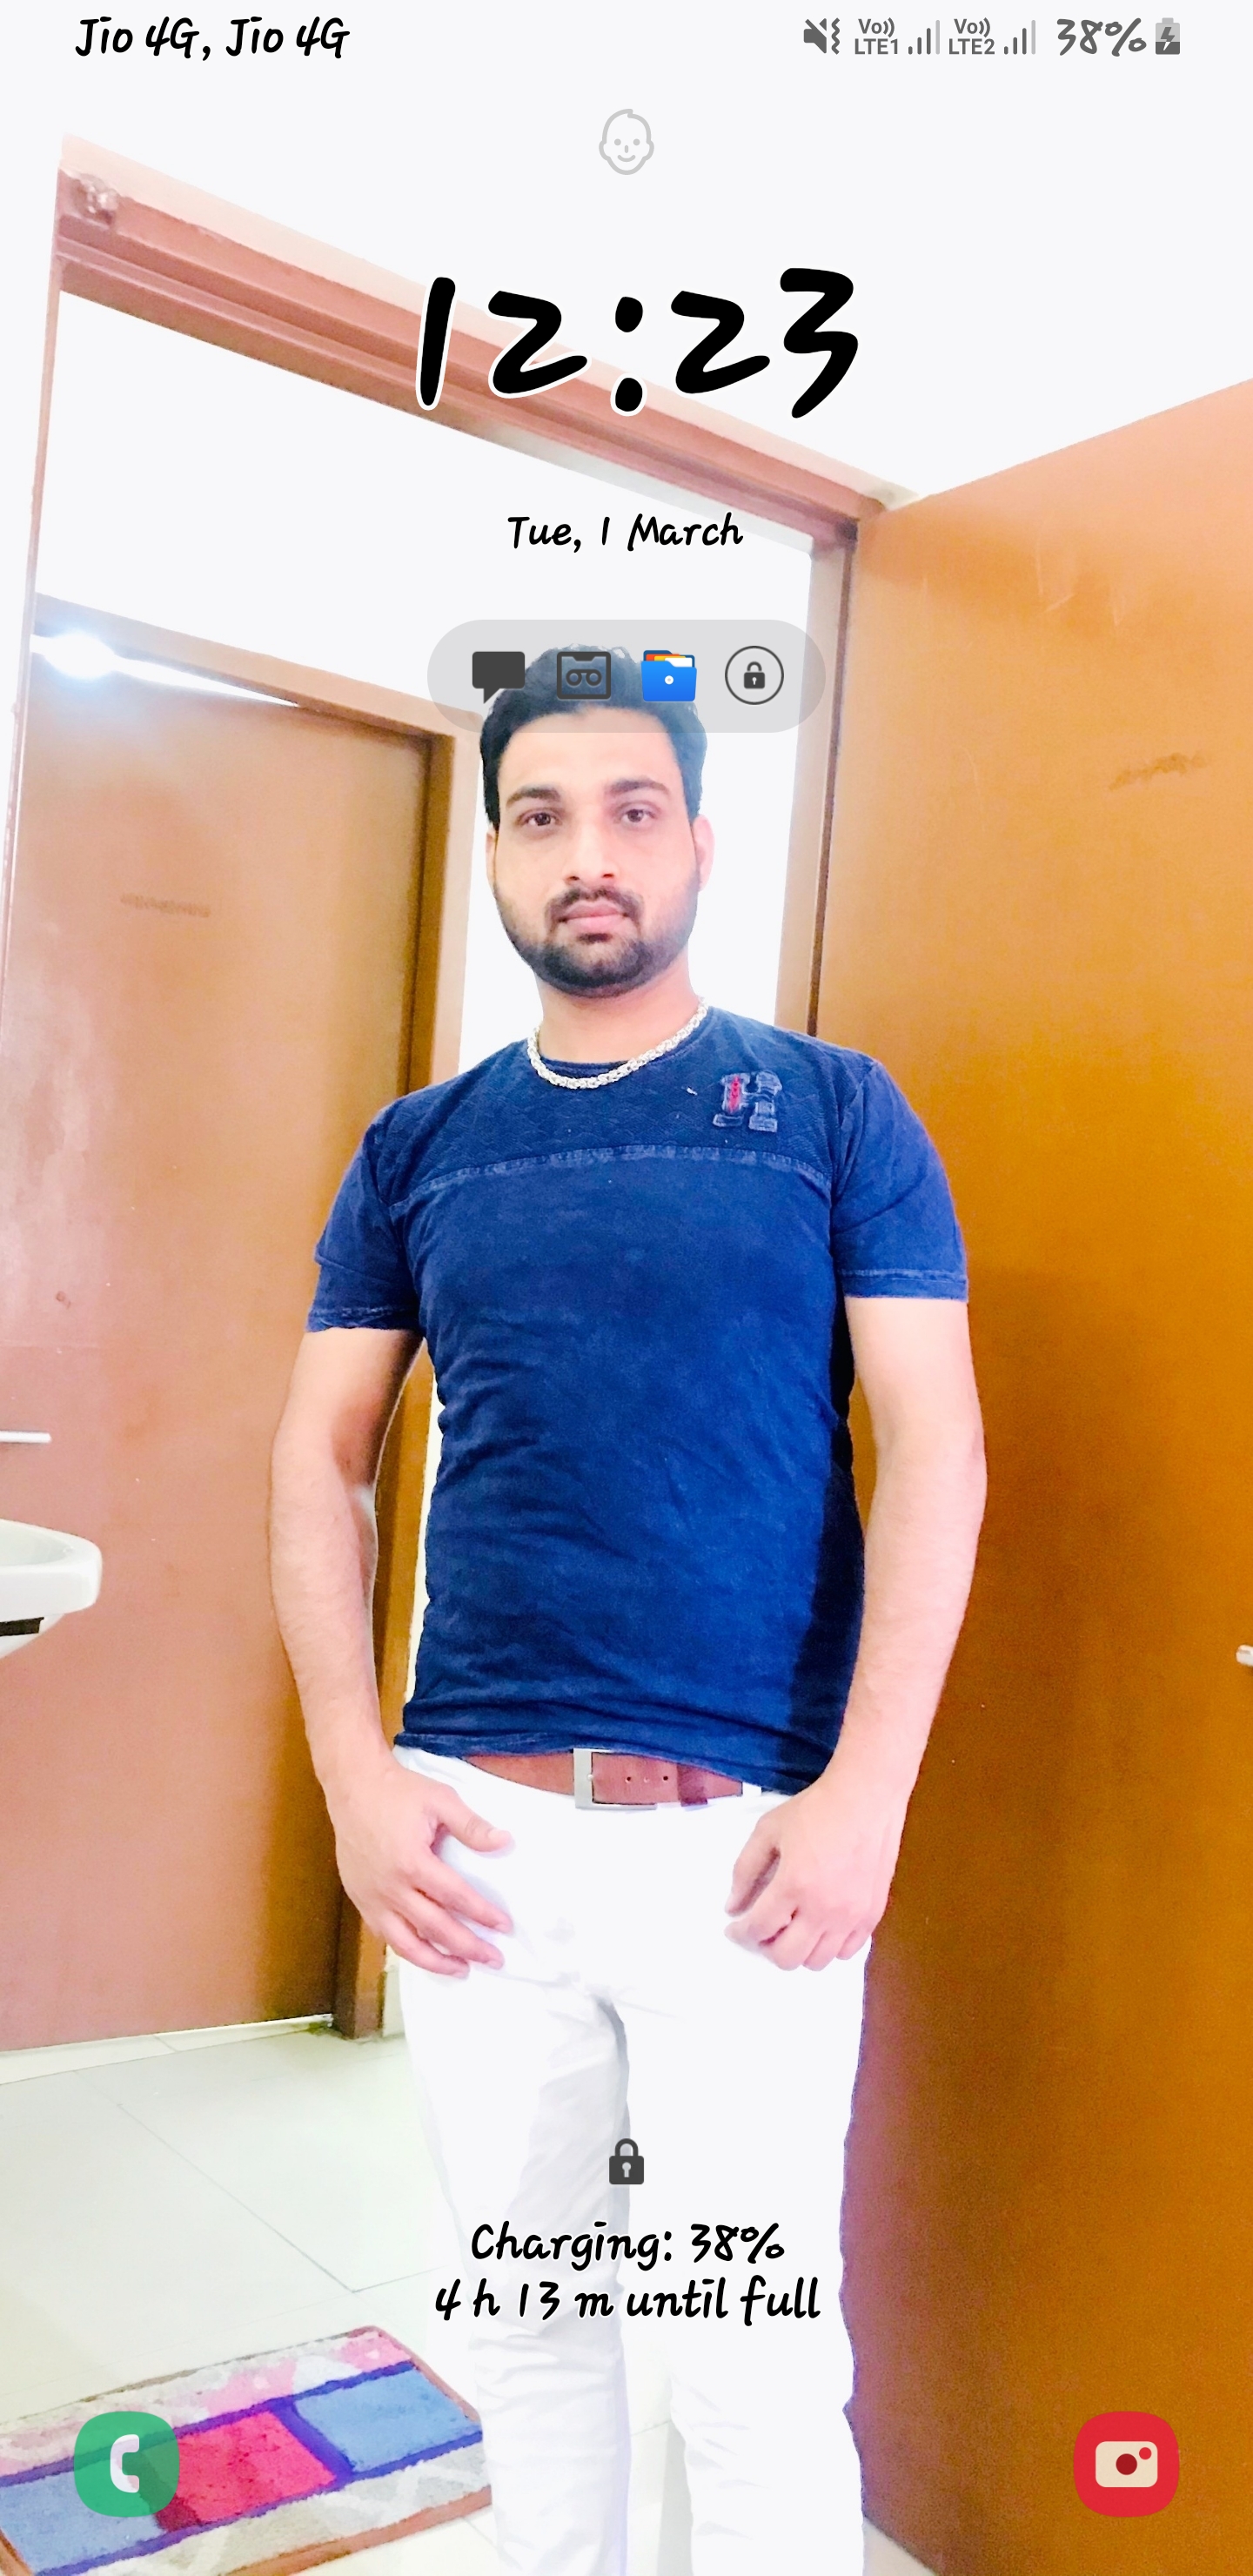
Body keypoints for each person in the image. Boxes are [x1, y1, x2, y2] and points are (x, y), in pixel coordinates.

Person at [269, 647, 986, 2576]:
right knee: (530, 2332)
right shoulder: (418, 1148)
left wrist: (868, 1795)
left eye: (631, 811)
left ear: (698, 845)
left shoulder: (832, 1113)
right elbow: (319, 1459)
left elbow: (935, 1452)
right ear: (501, 854)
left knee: (756, 2367)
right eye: (541, 815)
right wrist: (354, 1773)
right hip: (477, 1845)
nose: (588, 853)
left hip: (744, 1852)